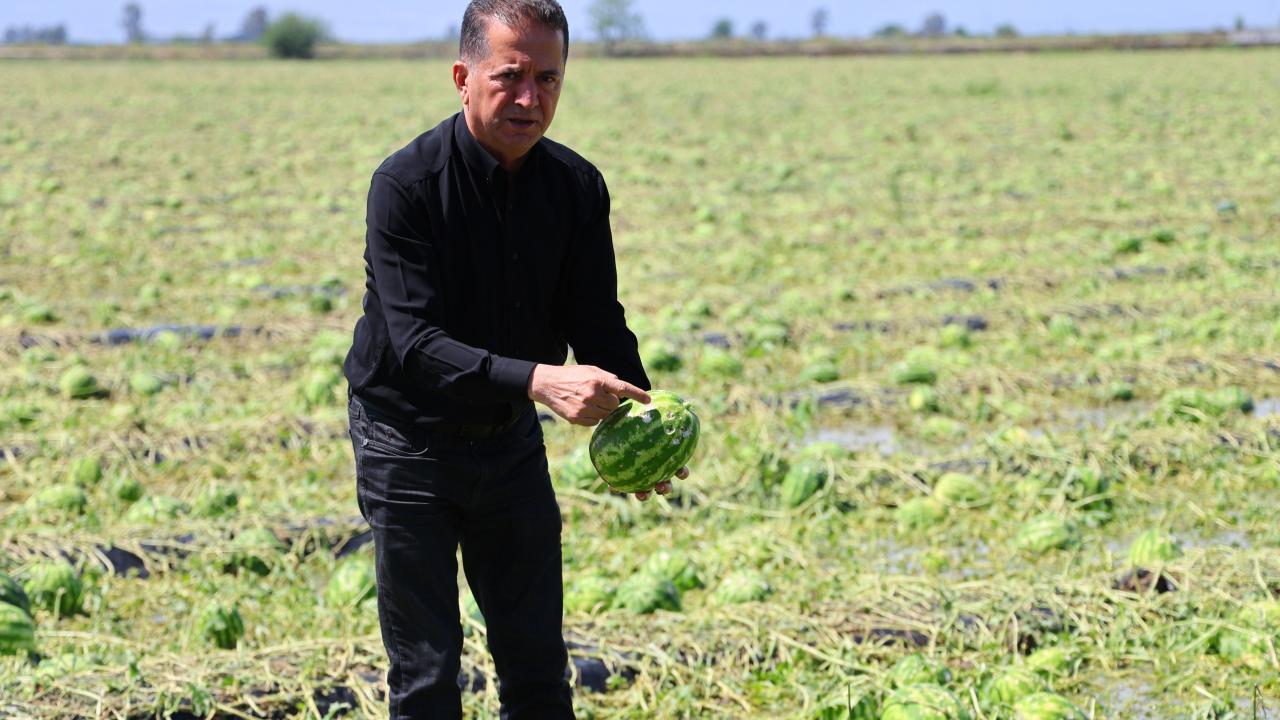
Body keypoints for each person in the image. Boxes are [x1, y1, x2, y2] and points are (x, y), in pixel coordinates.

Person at [342, 1, 689, 717]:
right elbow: (415, 344)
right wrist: (539, 379)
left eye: (550, 79)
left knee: (536, 670)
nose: (531, 99)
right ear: (463, 77)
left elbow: (596, 319)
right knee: (428, 675)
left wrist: (645, 419)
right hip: (407, 444)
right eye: (511, 76)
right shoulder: (405, 187)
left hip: (507, 443)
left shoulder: (576, 187)